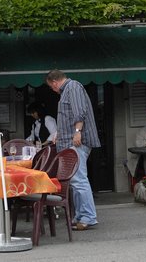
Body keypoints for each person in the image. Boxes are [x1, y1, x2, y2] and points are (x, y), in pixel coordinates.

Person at [46, 69, 99, 231]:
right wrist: (59, 134)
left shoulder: (73, 87)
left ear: (54, 82)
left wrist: (77, 132)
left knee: (79, 180)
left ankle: (89, 217)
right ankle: (80, 216)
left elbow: (79, 112)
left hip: (76, 142)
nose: (53, 90)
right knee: (75, 181)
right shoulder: (69, 90)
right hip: (69, 141)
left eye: (51, 87)